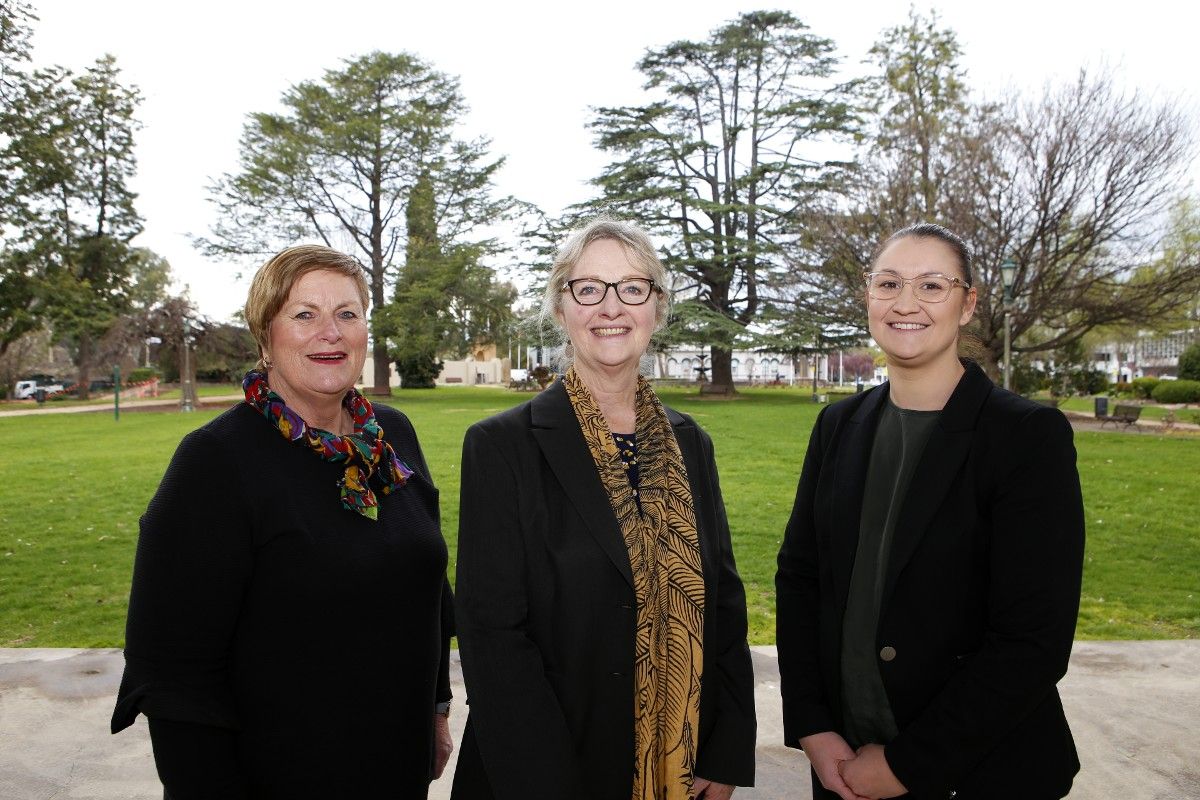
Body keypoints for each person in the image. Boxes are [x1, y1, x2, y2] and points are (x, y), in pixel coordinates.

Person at [111, 245, 454, 798]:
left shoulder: (391, 437)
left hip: (395, 765)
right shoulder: (217, 461)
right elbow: (173, 672)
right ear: (265, 334)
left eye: (347, 313)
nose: (331, 333)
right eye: (304, 315)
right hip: (276, 775)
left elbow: (429, 589)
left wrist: (436, 710)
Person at [775, 223, 1085, 800]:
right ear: (868, 296)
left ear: (967, 305)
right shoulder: (837, 427)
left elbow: (1033, 640)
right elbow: (801, 578)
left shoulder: (1024, 436)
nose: (906, 303)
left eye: (932, 286)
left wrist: (905, 766)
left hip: (977, 771)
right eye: (888, 283)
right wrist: (813, 724)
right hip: (842, 763)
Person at [451, 218, 756, 800]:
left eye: (632, 288)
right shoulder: (501, 446)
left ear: (657, 308)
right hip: (545, 768)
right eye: (588, 288)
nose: (610, 307)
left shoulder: (690, 442)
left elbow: (724, 603)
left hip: (681, 766)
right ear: (561, 307)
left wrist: (727, 747)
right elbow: (492, 633)